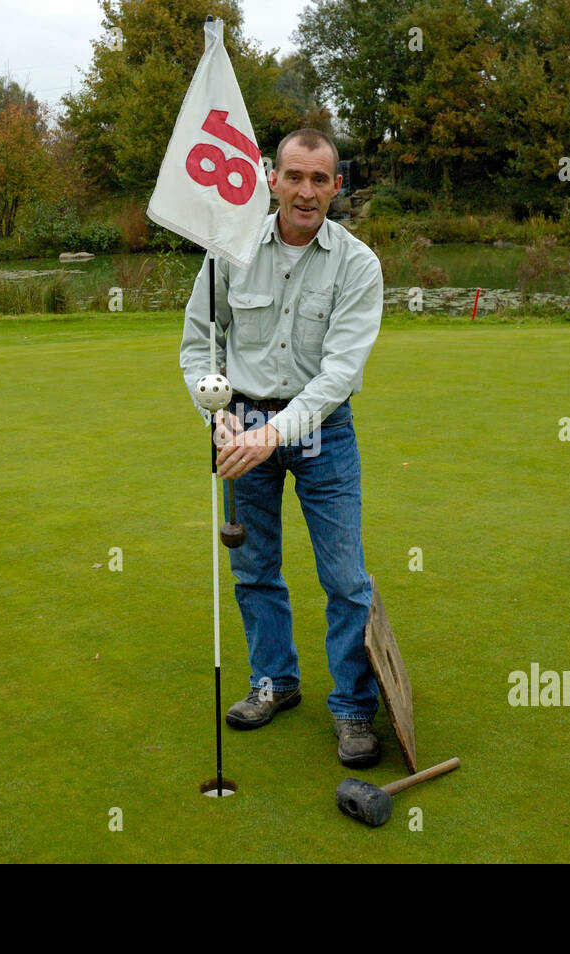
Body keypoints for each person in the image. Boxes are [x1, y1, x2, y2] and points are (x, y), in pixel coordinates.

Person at [178, 127, 385, 768]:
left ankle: (353, 710)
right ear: (271, 178)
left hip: (323, 431)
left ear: (336, 187)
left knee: (346, 579)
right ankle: (274, 683)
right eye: (294, 176)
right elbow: (198, 347)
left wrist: (273, 433)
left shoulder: (358, 264)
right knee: (254, 569)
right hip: (239, 426)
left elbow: (337, 376)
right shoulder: (228, 252)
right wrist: (215, 415)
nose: (306, 191)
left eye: (319, 179)